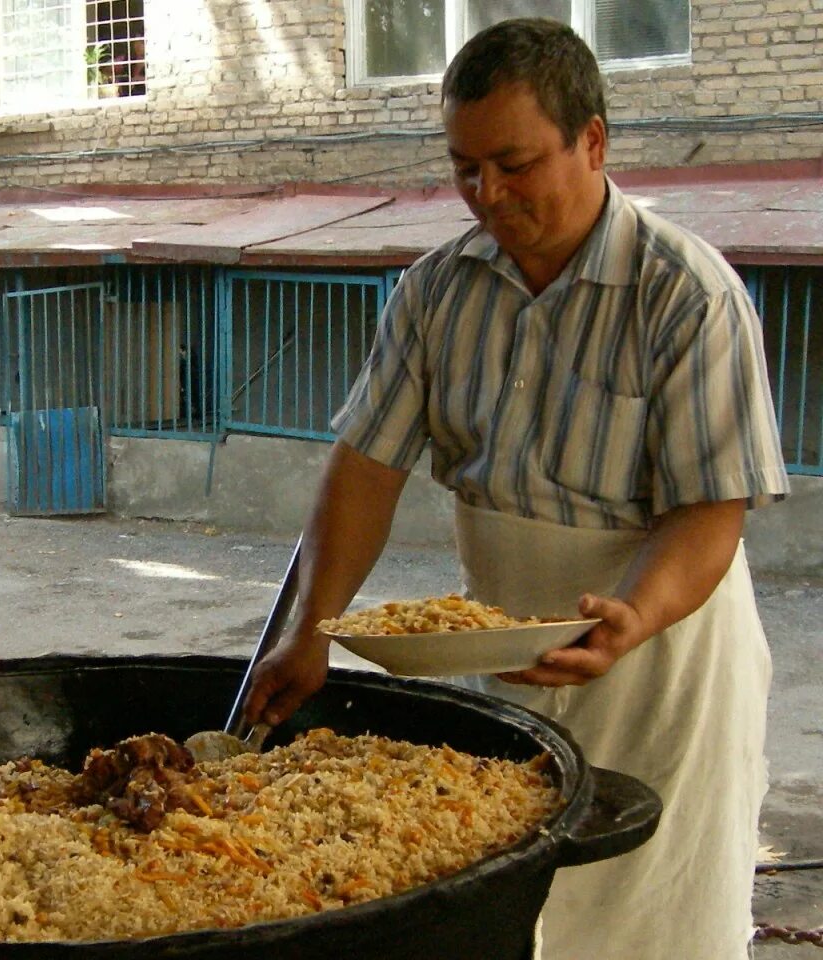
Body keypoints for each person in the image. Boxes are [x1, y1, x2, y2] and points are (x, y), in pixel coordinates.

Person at [244, 17, 789, 960]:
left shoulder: (688, 295)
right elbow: (368, 468)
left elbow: (711, 513)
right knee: (512, 911)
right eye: (463, 168)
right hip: (504, 649)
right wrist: (311, 630)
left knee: (658, 916)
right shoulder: (433, 293)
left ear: (593, 140)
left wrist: (630, 614)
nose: (487, 195)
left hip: (665, 652)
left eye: (514, 163)